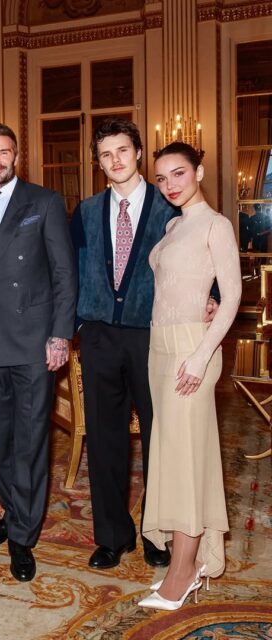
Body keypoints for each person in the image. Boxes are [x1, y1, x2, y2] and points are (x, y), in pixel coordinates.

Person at [71, 118, 218, 572]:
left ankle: (157, 531)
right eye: (105, 154)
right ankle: (112, 536)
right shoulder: (85, 211)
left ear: (138, 152)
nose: (115, 160)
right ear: (98, 163)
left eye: (122, 150)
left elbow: (202, 253)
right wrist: (76, 326)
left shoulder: (170, 204)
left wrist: (211, 295)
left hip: (153, 337)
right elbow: (71, 270)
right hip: (98, 336)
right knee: (104, 438)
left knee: (161, 437)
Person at [0, 122, 77, 582]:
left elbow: (64, 273)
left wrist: (60, 335)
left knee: (29, 441)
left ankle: (23, 536)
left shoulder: (44, 202)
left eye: (3, 152)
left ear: (16, 156)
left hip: (32, 341)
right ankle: (12, 512)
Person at [138, 142, 241, 610]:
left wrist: (201, 356)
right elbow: (182, 286)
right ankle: (189, 562)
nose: (170, 185)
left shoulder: (216, 225)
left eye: (178, 173)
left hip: (190, 350)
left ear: (199, 171)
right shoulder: (173, 225)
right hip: (160, 347)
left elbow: (233, 296)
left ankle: (183, 571)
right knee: (172, 456)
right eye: (161, 178)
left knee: (187, 463)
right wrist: (205, 302)